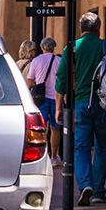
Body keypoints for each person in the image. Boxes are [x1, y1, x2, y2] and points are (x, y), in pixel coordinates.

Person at [55, 12, 106, 206]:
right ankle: (98, 191)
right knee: (102, 148)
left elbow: (61, 81)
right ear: (98, 28)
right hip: (104, 104)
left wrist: (58, 108)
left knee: (80, 147)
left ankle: (85, 184)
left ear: (81, 29)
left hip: (81, 104)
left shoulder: (71, 49)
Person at [26, 37, 62, 166]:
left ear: (42, 48)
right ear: (53, 48)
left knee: (42, 128)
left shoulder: (36, 61)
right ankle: (54, 156)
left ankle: (43, 155)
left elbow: (30, 81)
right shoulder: (59, 60)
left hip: (41, 98)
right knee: (55, 127)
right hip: (56, 97)